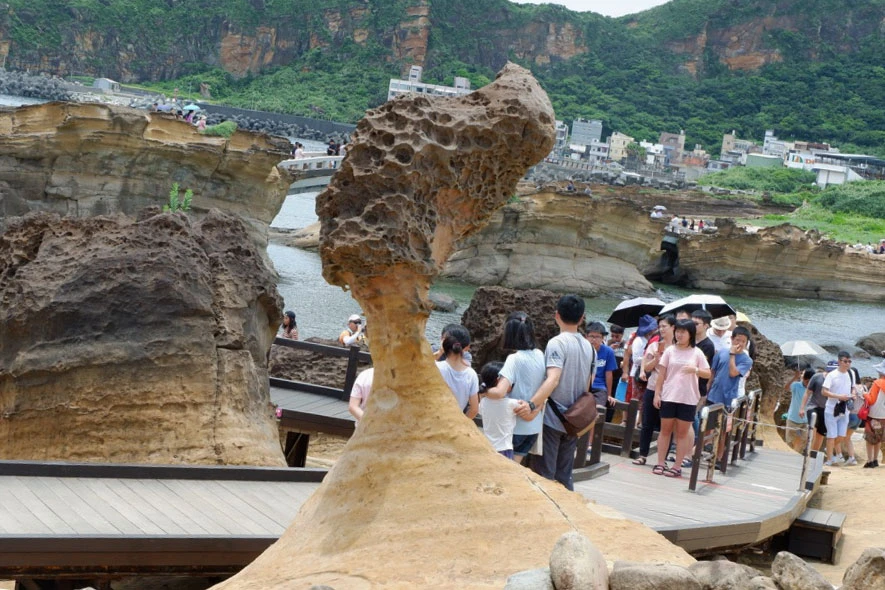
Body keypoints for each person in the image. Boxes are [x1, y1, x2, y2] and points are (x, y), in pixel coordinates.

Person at [517, 294, 597, 491]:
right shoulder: (590, 347)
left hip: (553, 419)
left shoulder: (557, 343)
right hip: (574, 419)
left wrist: (532, 404)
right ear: (582, 318)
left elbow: (553, 378)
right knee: (564, 474)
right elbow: (589, 383)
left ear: (557, 315)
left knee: (544, 473)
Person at [483, 312, 546, 462]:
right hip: (533, 427)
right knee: (516, 468)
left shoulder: (514, 359)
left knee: (505, 471)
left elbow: (499, 393)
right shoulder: (540, 354)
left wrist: (482, 391)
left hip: (514, 427)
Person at [652, 319, 711, 478]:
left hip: (688, 397)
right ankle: (660, 462)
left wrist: (695, 370)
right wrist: (657, 394)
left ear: (690, 334)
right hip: (669, 395)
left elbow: (708, 373)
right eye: (677, 331)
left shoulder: (697, 352)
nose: (679, 334)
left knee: (682, 433)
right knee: (665, 431)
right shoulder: (670, 351)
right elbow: (661, 374)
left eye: (682, 332)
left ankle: (677, 465)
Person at [632, 315, 671, 466]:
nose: (661, 330)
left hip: (669, 390)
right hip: (652, 386)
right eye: (660, 326)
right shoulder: (654, 346)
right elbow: (647, 367)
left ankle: (663, 459)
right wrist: (656, 359)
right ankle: (642, 454)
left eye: (664, 326)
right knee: (647, 422)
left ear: (673, 328)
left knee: (666, 427)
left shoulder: (676, 348)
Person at [478, 362, 521, 459]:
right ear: (499, 381)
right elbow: (528, 409)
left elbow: (480, 410)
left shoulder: (483, 402)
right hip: (504, 449)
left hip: (488, 447)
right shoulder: (511, 404)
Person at [436, 324, 479, 419]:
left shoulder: (435, 367)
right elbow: (474, 409)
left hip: (433, 421)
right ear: (467, 347)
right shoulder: (472, 374)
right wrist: (462, 424)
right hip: (455, 422)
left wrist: (440, 352)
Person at [822, 352, 856, 466]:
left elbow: (853, 387)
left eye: (849, 361)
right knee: (831, 435)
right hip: (832, 409)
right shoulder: (832, 375)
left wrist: (853, 394)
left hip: (844, 409)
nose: (847, 364)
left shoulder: (851, 373)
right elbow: (824, 391)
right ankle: (829, 459)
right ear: (839, 361)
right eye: (845, 361)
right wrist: (839, 396)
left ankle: (829, 449)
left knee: (841, 435)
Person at [585, 321, 618, 419]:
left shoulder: (608, 352)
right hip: (583, 385)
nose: (594, 339)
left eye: (598, 336)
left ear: (603, 338)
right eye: (591, 336)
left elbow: (609, 374)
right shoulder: (583, 350)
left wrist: (609, 394)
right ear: (586, 336)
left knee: (598, 412)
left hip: (599, 387)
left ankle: (592, 434)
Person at [799, 366, 830, 454]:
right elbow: (807, 392)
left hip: (826, 409)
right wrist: (802, 408)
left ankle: (813, 454)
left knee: (820, 434)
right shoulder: (817, 377)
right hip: (813, 406)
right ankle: (807, 450)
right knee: (813, 427)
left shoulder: (836, 380)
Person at [862, 360, 885, 468]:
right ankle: (876, 459)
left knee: (870, 439)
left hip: (874, 415)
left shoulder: (877, 383)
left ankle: (870, 460)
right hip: (883, 416)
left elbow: (871, 400)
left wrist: (865, 394)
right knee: (879, 438)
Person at [785, 369, 814, 449]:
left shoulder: (813, 389)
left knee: (805, 441)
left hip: (806, 420)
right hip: (793, 418)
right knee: (789, 441)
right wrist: (795, 377)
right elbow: (786, 387)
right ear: (805, 379)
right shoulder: (796, 385)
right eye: (807, 381)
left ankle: (799, 456)